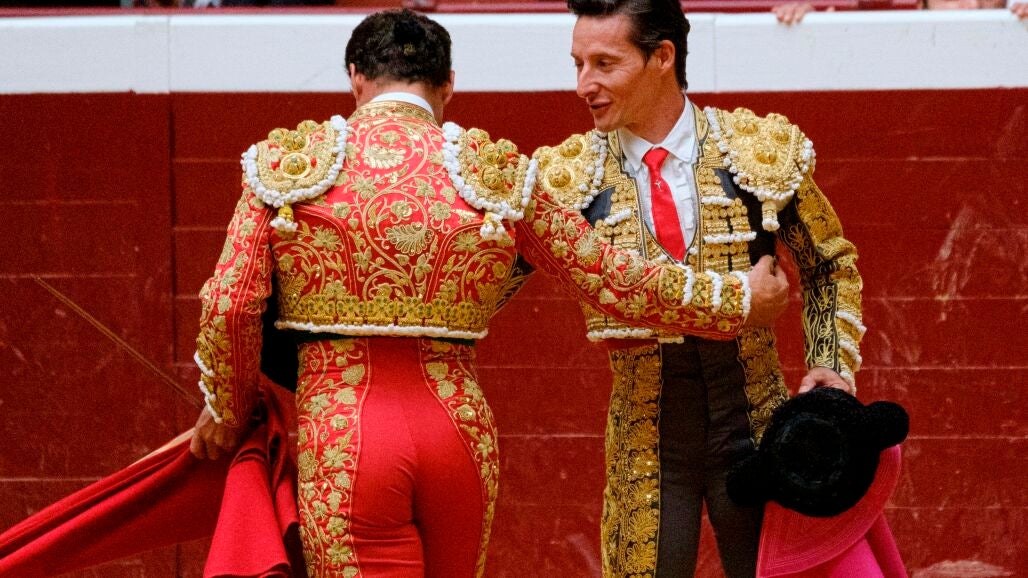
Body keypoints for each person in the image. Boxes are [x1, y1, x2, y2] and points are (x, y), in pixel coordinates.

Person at [188, 8, 790, 577]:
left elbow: (229, 305)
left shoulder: (287, 167)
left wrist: (229, 406)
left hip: (347, 428)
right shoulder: (490, 172)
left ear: (355, 78)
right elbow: (610, 276)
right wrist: (736, 298)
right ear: (448, 84)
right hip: (456, 428)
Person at [531, 0, 866, 575]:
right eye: (578, 64)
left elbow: (829, 265)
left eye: (604, 64)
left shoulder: (757, 152)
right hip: (646, 439)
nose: (584, 84)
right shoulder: (567, 177)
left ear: (662, 57)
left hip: (758, 426)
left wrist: (831, 365)